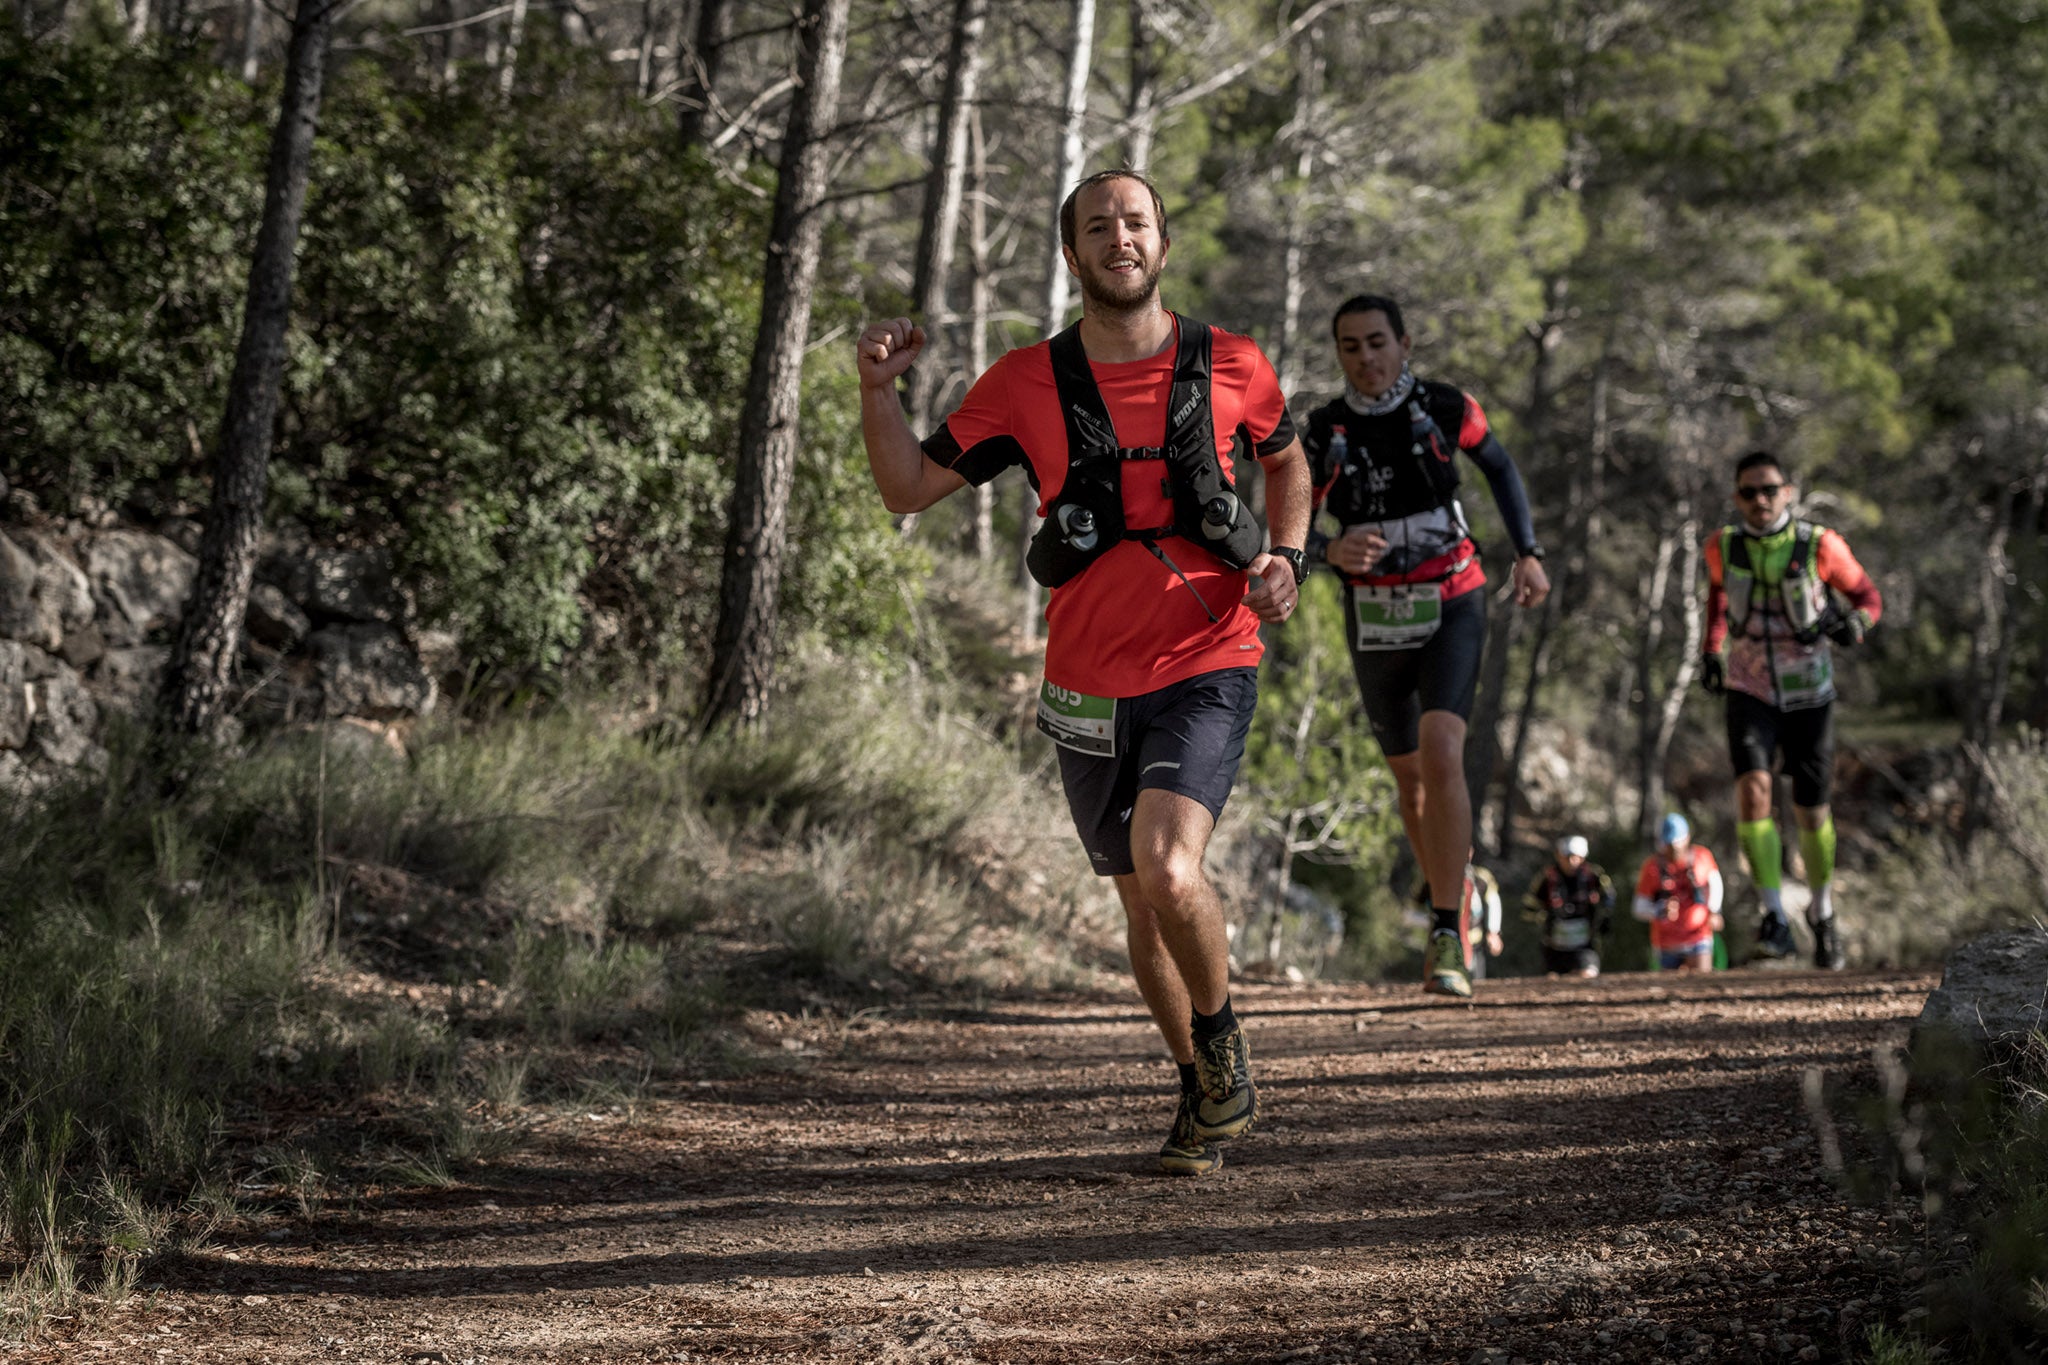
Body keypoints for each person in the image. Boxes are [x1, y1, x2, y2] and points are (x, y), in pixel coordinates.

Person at [857, 170, 1312, 1177]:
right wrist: (875, 390)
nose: (1119, 236)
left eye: (1136, 221)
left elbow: (1287, 462)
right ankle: (1200, 1088)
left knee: (1168, 865)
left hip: (1207, 656)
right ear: (1071, 255)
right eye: (1097, 226)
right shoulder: (1022, 383)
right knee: (1136, 903)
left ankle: (1221, 1041)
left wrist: (1285, 558)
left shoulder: (1231, 363)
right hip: (1084, 680)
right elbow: (905, 485)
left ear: (1162, 242)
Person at [1300, 295, 1549, 999]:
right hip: (1374, 618)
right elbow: (1286, 519)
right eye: (1350, 346)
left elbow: (1500, 468)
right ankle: (1449, 887)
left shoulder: (1444, 406)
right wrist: (1328, 548)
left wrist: (1527, 552)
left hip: (1452, 599)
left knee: (1444, 752)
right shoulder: (1325, 431)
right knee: (1409, 783)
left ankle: (1448, 926)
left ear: (1404, 342)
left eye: (1377, 342)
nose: (1366, 358)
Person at [1700, 450, 1883, 970]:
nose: (1759, 500)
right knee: (1753, 790)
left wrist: (1857, 625)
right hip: (1749, 688)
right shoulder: (1723, 546)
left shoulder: (1820, 544)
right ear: (1736, 497)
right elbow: (1717, 601)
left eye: (1769, 489)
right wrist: (1711, 651)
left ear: (1788, 491)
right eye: (1748, 492)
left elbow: (1868, 597)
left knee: (1811, 809)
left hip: (1810, 695)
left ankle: (1822, 912)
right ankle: (1774, 916)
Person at [1632, 814, 1724, 973]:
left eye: (1677, 843)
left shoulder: (1702, 857)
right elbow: (1639, 907)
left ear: (1687, 838)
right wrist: (1659, 910)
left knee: (1701, 984)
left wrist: (1714, 911)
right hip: (1666, 943)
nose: (1673, 849)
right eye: (1668, 845)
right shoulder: (1652, 867)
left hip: (1699, 937)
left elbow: (1715, 884)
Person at [1522, 834, 1614, 977]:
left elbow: (1609, 897)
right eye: (1567, 857)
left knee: (1587, 976)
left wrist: (1604, 918)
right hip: (1554, 947)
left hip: (1585, 945)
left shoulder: (1594, 876)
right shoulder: (1547, 878)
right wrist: (1544, 917)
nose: (1572, 862)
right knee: (1552, 982)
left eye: (1576, 857)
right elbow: (1529, 906)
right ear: (1558, 856)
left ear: (1583, 858)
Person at [1408, 848, 1503, 978]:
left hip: (1474, 945)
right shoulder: (1432, 877)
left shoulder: (1481, 877)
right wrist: (1432, 923)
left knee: (1476, 985)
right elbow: (1413, 910)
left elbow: (1493, 902)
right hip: (1443, 945)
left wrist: (1493, 931)